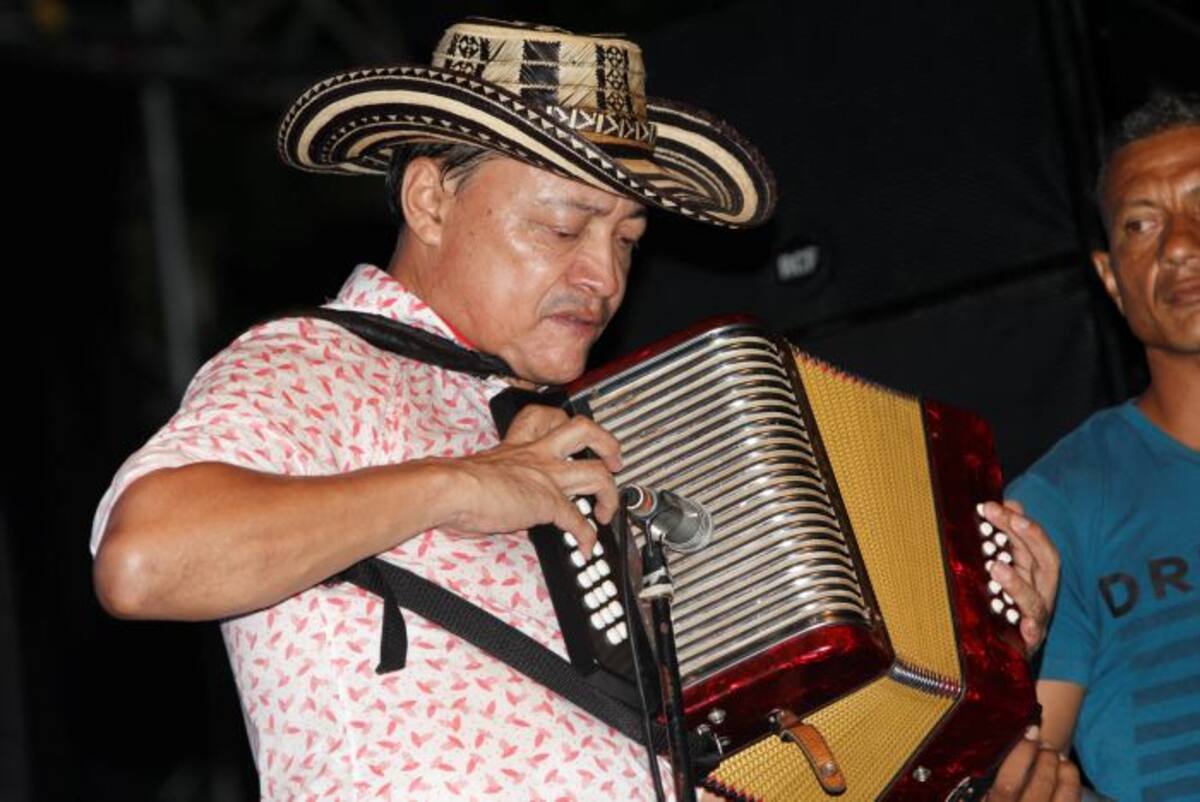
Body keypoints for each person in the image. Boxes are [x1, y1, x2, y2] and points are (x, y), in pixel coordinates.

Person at [91, 18, 1061, 801]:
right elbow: (144, 558)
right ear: (429, 200)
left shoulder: (594, 432)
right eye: (563, 226)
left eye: (627, 239)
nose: (604, 276)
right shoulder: (317, 364)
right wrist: (459, 486)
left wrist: (975, 662)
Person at [1006, 93, 1200, 802]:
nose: (1178, 245)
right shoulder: (1060, 501)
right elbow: (1027, 765)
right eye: (1141, 224)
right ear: (1112, 277)